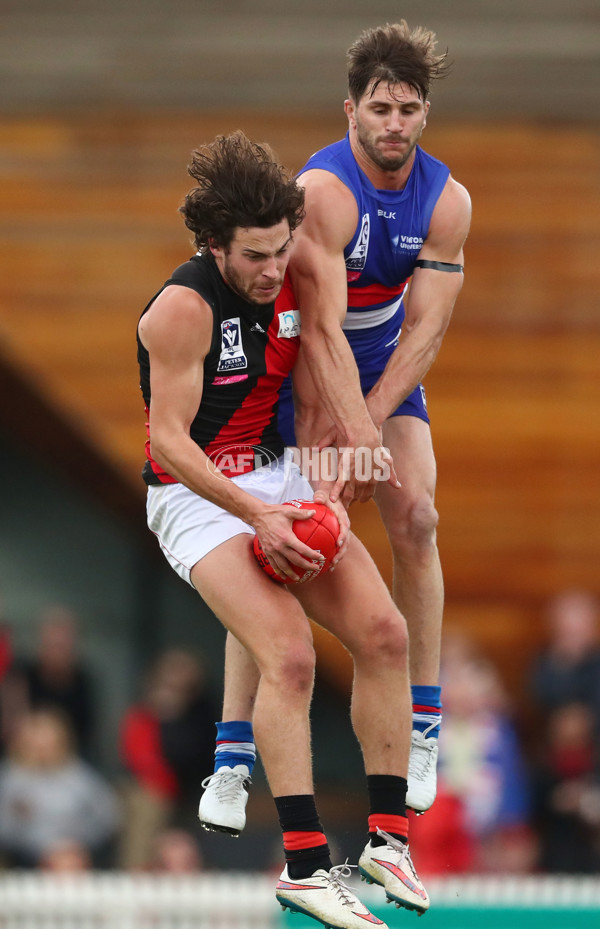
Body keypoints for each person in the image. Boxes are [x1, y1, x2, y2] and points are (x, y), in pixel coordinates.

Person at [137, 129, 428, 927]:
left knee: (385, 633)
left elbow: (327, 350)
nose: (273, 270)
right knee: (291, 654)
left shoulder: (297, 268)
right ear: (213, 245)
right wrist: (259, 514)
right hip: (193, 493)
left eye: (280, 250)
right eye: (255, 257)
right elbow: (167, 440)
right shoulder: (181, 309)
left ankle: (388, 836)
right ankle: (304, 863)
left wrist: (347, 462)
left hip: (275, 471)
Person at [200, 20, 471, 833]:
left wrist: (373, 424)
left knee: (418, 514)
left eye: (410, 109)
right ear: (350, 107)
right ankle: (230, 754)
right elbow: (318, 329)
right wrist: (346, 435)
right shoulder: (324, 193)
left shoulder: (447, 201)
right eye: (381, 107)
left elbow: (424, 330)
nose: (395, 123)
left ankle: (423, 723)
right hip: (298, 363)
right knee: (284, 544)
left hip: (384, 369)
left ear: (425, 114)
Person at [0, 708, 120, 868]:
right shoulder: (10, 778)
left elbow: (109, 816)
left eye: (48, 744)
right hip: (24, 857)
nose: (42, 751)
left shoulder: (80, 775)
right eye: (36, 745)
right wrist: (41, 845)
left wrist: (78, 844)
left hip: (77, 855)